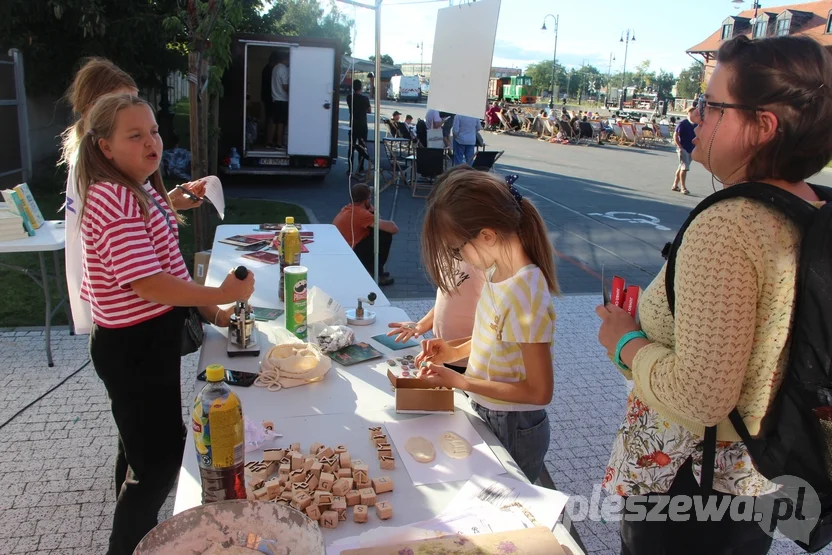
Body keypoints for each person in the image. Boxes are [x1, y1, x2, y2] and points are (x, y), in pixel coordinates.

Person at [596, 34, 832, 554]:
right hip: (757, 470)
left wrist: (623, 341)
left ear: (761, 126)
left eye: (711, 104)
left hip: (689, 484)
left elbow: (701, 397)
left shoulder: (726, 227)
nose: (695, 116)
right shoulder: (809, 205)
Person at [77, 93, 255, 555]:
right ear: (104, 148)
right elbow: (149, 282)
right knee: (156, 464)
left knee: (142, 447)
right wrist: (218, 295)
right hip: (131, 347)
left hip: (145, 342)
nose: (151, 141)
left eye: (153, 131)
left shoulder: (136, 187)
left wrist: (169, 202)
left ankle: (135, 521)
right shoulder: (112, 196)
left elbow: (166, 265)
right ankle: (127, 544)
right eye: (134, 135)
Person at [415, 170, 559, 482]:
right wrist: (452, 350)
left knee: (508, 504)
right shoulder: (497, 272)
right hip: (492, 411)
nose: (457, 257)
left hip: (514, 425)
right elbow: (494, 335)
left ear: (487, 236)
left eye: (456, 248)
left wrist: (461, 382)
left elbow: (539, 391)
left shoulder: (526, 294)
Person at [61, 58, 219, 338]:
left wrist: (167, 201)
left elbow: (131, 224)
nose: (131, 108)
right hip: (130, 324)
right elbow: (138, 267)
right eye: (120, 101)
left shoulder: (123, 177)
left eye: (133, 99)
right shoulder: (107, 185)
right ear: (93, 112)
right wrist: (220, 294)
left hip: (147, 322)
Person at [333, 184, 397, 286]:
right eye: (369, 198)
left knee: (376, 231)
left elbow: (376, 218)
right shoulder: (362, 214)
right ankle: (376, 273)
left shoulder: (349, 208)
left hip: (343, 248)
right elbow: (393, 229)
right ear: (366, 200)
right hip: (351, 253)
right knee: (385, 235)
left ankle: (374, 269)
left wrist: (371, 209)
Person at [346, 79, 371, 175]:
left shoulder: (349, 97)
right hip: (363, 125)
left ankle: (350, 168)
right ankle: (360, 167)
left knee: (351, 147)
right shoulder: (365, 99)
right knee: (362, 147)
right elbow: (369, 110)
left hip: (353, 125)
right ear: (361, 87)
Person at [672, 106, 696, 194]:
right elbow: (675, 135)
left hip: (691, 148)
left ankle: (675, 185)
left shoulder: (696, 124)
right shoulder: (683, 123)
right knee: (685, 168)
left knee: (681, 167)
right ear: (688, 113)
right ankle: (683, 187)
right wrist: (680, 147)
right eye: (691, 112)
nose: (693, 114)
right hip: (683, 148)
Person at [270, 51, 290, 149]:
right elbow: (285, 87)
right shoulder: (284, 70)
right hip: (283, 99)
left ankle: (269, 142)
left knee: (274, 122)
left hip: (275, 98)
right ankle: (279, 143)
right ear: (286, 59)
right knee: (281, 123)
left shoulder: (275, 68)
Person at [262, 51, 278, 148]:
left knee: (269, 118)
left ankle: (268, 140)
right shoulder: (270, 70)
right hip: (270, 98)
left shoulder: (266, 69)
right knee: (271, 119)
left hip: (266, 97)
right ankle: (269, 141)